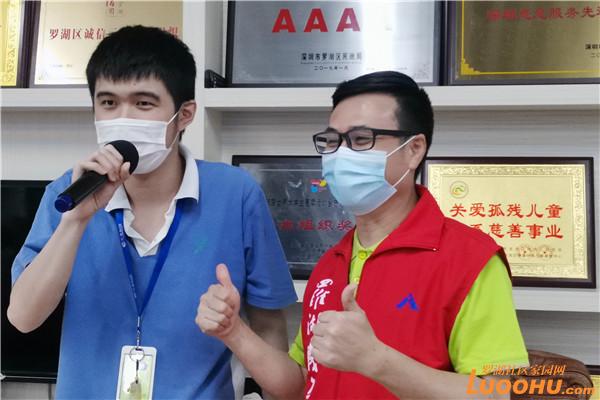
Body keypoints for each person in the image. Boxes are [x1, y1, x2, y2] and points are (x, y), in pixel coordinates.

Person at [195, 71, 529, 399]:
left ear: (414, 150)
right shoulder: (332, 263)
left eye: (360, 139)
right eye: (332, 141)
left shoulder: (469, 259)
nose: (340, 155)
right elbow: (300, 384)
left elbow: (497, 392)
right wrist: (234, 332)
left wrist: (377, 362)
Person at [7, 25, 296, 399]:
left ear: (185, 114)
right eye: (108, 103)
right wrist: (75, 221)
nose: (123, 118)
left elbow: (269, 325)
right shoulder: (68, 193)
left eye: (143, 103)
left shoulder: (236, 194)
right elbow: (23, 318)